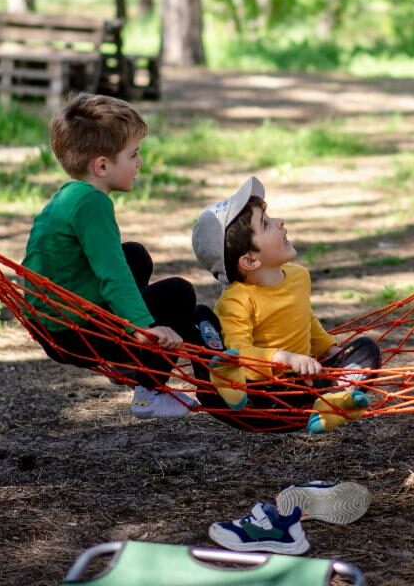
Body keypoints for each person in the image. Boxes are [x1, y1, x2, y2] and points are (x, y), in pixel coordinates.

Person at [22, 93, 202, 420]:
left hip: (51, 321)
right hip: (74, 333)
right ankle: (150, 390)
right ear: (102, 165)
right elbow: (113, 274)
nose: (140, 163)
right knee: (179, 293)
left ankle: (126, 358)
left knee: (135, 254)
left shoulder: (71, 195)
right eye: (133, 155)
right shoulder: (93, 205)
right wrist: (144, 329)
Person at [191, 176, 375, 433]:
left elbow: (305, 318)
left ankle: (333, 400)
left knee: (366, 349)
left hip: (308, 383)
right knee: (200, 319)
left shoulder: (298, 276)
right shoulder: (236, 301)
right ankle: (329, 402)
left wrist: (330, 351)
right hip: (268, 396)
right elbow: (239, 354)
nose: (280, 222)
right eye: (265, 225)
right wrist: (284, 359)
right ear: (250, 261)